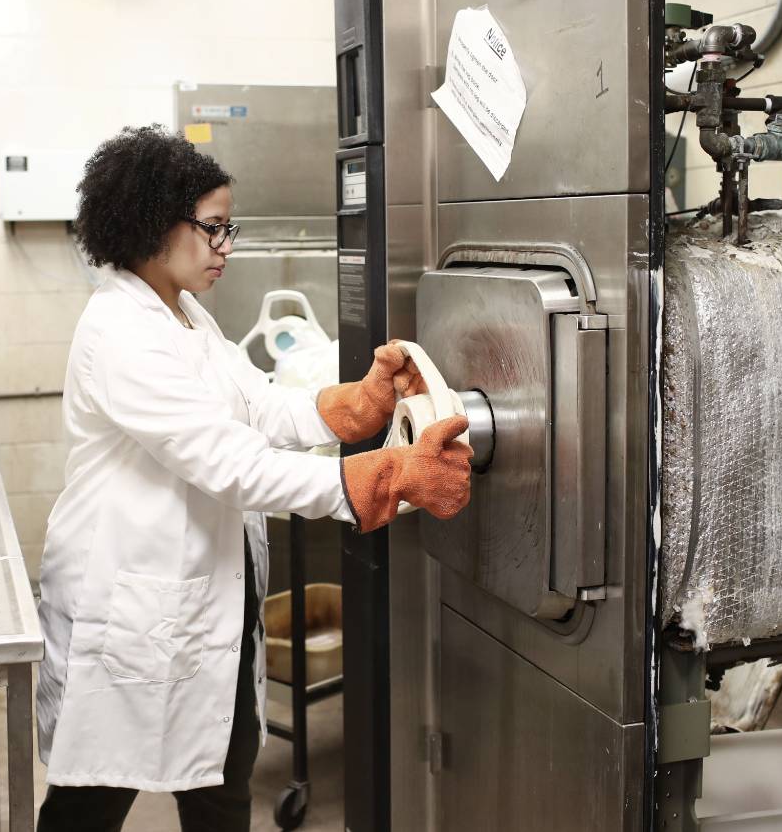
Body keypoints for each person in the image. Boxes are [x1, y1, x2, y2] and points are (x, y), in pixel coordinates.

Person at [35, 125, 472, 832]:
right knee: (90, 799)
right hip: (132, 609)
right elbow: (229, 462)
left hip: (207, 604)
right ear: (152, 223)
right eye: (212, 229)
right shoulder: (120, 330)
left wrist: (354, 404)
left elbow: (257, 404)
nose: (226, 247)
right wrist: (384, 476)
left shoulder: (185, 315)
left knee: (222, 780)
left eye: (226, 227)